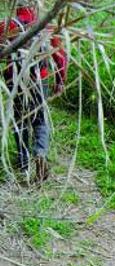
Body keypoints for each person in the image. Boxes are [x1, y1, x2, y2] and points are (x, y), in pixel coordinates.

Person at [1, 2, 67, 182]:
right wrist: (60, 80)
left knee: (19, 119)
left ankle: (23, 163)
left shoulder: (6, 25)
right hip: (40, 78)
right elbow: (60, 55)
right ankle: (40, 153)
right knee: (39, 119)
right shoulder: (46, 24)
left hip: (14, 79)